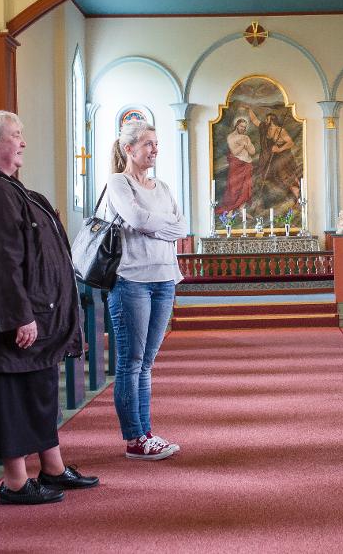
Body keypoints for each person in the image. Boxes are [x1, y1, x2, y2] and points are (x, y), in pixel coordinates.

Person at [0, 110, 98, 505]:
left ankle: (52, 466)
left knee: (37, 391)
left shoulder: (5, 187)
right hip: (2, 324)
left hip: (33, 314)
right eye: (17, 135)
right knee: (12, 397)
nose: (23, 143)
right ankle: (15, 482)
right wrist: (18, 316)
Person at [106, 120, 189, 460]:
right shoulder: (118, 182)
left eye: (157, 144)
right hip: (131, 280)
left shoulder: (164, 187)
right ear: (129, 149)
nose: (155, 149)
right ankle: (134, 438)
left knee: (147, 362)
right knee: (131, 361)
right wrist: (159, 227)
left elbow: (183, 226)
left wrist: (153, 228)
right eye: (149, 144)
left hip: (165, 278)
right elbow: (137, 220)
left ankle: (146, 432)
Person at [249, 107, 301, 200]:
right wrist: (249, 109)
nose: (265, 121)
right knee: (273, 176)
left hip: (283, 156)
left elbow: (291, 143)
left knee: (285, 176)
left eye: (267, 119)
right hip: (273, 157)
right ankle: (294, 194)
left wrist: (279, 149)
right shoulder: (266, 129)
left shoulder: (280, 130)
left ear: (271, 120)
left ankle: (298, 194)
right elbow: (254, 120)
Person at [217, 116, 256, 214]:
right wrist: (243, 145)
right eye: (241, 126)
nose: (243, 129)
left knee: (245, 187)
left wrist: (246, 145)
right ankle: (230, 210)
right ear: (237, 125)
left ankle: (242, 209)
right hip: (236, 164)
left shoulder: (246, 137)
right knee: (234, 187)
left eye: (244, 127)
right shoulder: (231, 137)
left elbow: (252, 151)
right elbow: (234, 152)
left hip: (247, 163)